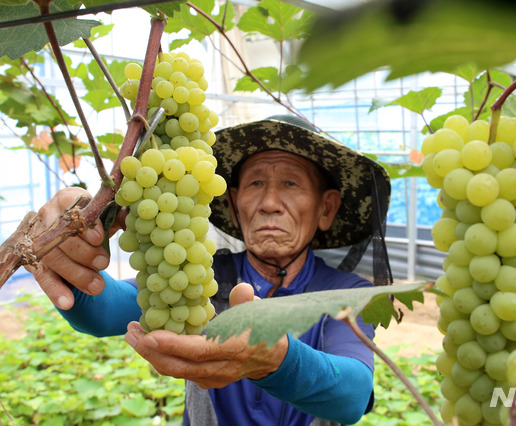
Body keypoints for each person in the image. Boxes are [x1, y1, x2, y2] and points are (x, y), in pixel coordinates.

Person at [27, 115, 392, 426]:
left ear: (326, 208)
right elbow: (103, 310)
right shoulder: (198, 274)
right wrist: (64, 255)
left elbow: (353, 396)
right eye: (255, 184)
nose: (268, 203)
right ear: (233, 204)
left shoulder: (347, 292)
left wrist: (279, 360)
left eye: (291, 183)